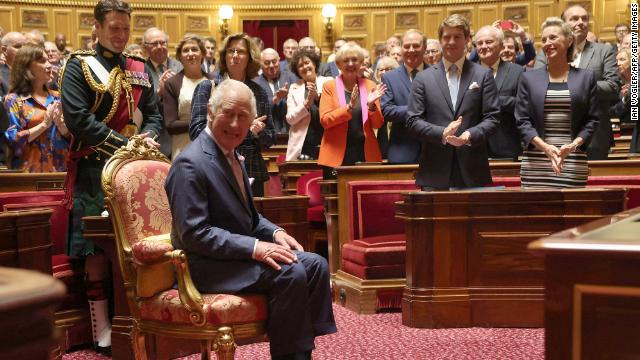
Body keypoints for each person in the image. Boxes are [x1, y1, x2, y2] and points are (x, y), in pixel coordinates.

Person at [165, 79, 336, 360]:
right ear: (210, 110)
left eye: (242, 117)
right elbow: (195, 234)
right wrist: (257, 248)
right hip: (205, 266)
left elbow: (250, 218)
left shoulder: (232, 154)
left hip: (234, 257)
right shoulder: (190, 163)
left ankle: (299, 348)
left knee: (316, 265)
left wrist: (275, 232)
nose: (235, 124)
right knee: (290, 271)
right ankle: (292, 353)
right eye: (228, 114)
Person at [59, 0, 163, 353]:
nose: (120, 35)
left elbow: (153, 114)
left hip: (134, 173)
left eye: (125, 28)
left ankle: (138, 319)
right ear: (98, 27)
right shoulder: (78, 66)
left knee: (138, 247)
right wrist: (126, 145)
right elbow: (78, 120)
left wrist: (145, 138)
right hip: (94, 169)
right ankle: (101, 326)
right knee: (96, 253)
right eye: (114, 28)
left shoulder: (138, 66)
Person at [406, 14, 499, 190]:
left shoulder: (482, 75)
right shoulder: (423, 78)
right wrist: (442, 133)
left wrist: (469, 135)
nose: (451, 41)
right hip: (434, 171)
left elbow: (493, 118)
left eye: (457, 36)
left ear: (467, 40)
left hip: (473, 169)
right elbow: (413, 120)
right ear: (440, 40)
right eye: (446, 37)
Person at [189, 32, 276, 197]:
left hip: (251, 170)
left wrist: (258, 134)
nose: (235, 55)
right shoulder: (207, 88)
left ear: (250, 58)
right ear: (224, 56)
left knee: (253, 222)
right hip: (216, 168)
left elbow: (271, 137)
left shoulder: (259, 92)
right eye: (231, 51)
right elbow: (196, 132)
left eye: (241, 52)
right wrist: (240, 130)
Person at [516, 17, 599, 188]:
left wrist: (572, 146)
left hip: (572, 160)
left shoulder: (586, 77)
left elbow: (592, 120)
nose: (547, 43)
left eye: (553, 37)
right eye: (544, 39)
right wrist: (546, 148)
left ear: (569, 41)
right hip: (536, 164)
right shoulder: (528, 78)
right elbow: (522, 121)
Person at [535, 4, 620, 160]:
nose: (580, 22)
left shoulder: (604, 51)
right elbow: (537, 87)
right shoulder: (545, 53)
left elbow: (613, 87)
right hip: (554, 134)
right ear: (563, 25)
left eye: (584, 18)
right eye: (574, 19)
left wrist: (579, 83)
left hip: (595, 135)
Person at [318, 42, 386, 179]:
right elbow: (325, 120)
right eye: (346, 60)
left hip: (365, 153)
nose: (350, 64)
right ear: (338, 64)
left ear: (361, 62)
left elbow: (378, 124)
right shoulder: (329, 86)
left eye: (354, 60)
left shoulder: (370, 85)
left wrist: (372, 105)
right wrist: (348, 107)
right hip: (335, 154)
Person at [4, 45, 69, 172]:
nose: (49, 65)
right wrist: (44, 124)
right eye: (42, 61)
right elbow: (12, 140)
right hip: (27, 174)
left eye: (48, 60)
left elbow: (73, 140)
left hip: (61, 173)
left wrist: (63, 128)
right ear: (26, 66)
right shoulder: (14, 100)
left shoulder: (58, 97)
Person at [474, 26, 523, 160]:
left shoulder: (517, 72)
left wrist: (492, 99)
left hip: (506, 147)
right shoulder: (466, 73)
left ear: (501, 46)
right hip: (473, 148)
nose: (484, 46)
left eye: (489, 42)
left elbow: (523, 105)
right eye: (479, 43)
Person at [380, 29, 426, 164]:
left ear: (424, 47)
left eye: (416, 45)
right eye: (406, 46)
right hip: (402, 151)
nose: (411, 50)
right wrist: (417, 109)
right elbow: (386, 110)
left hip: (434, 150)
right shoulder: (389, 77)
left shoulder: (438, 73)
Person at [163, 34, 212, 158]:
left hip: (211, 145)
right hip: (184, 147)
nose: (190, 54)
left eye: (195, 49)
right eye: (185, 50)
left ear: (202, 54)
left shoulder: (214, 81)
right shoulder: (172, 83)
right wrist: (204, 123)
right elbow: (170, 125)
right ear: (179, 56)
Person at [285, 49, 332, 161]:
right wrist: (306, 104)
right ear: (297, 71)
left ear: (314, 64)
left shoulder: (329, 82)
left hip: (328, 141)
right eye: (300, 65)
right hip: (303, 145)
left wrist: (317, 98)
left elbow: (336, 110)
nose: (305, 67)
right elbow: (290, 119)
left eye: (307, 63)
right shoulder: (294, 88)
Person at [143, 27, 183, 157]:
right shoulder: (141, 70)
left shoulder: (181, 66)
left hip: (181, 135)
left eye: (163, 42)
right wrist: (159, 94)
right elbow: (141, 106)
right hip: (155, 138)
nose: (160, 47)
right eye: (154, 44)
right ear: (145, 47)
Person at [254, 48, 297, 134]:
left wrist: (288, 96)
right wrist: (274, 100)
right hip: (267, 133)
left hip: (291, 131)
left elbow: (301, 102)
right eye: (266, 63)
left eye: (274, 62)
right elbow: (255, 109)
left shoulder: (291, 77)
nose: (271, 66)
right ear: (260, 63)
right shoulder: (255, 83)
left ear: (279, 60)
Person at [610, 48, 635, 152]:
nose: (618, 63)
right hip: (622, 132)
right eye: (616, 61)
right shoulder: (615, 84)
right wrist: (624, 99)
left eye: (622, 59)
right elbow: (611, 111)